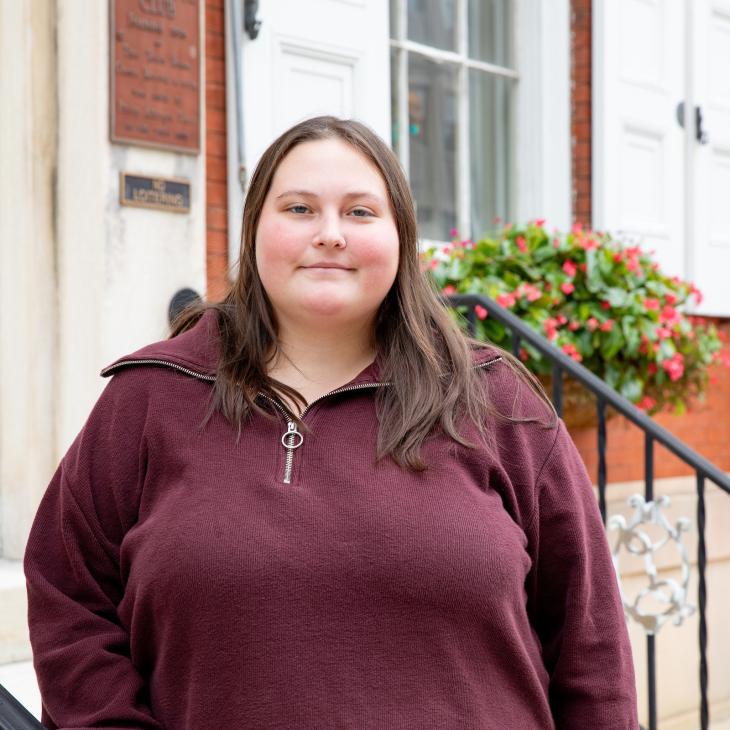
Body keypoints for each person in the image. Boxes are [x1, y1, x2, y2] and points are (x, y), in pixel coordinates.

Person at [24, 115, 639, 729]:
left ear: (402, 236)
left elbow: (591, 652)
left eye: (360, 212)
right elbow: (67, 595)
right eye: (298, 208)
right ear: (254, 232)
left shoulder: (496, 402)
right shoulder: (151, 397)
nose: (329, 234)